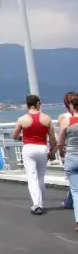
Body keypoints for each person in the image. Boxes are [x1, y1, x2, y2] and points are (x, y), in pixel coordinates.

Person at [12, 95, 57, 215]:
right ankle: (40, 202)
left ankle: (37, 204)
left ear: (27, 105)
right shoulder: (47, 119)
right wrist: (53, 152)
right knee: (41, 176)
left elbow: (14, 136)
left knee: (32, 177)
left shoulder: (22, 119)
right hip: (42, 148)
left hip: (28, 148)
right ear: (38, 104)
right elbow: (52, 138)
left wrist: (22, 137)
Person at [50, 92, 78, 231]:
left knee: (75, 190)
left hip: (71, 156)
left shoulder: (66, 120)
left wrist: (60, 153)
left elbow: (60, 141)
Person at [58, 91, 76, 209]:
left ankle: (69, 202)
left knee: (73, 180)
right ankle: (69, 201)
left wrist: (60, 152)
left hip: (69, 151)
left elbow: (62, 136)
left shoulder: (64, 118)